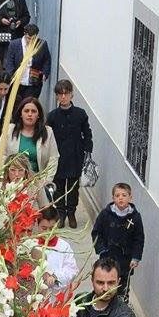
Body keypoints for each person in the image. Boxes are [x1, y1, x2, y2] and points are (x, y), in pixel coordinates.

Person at [46, 79, 93, 228]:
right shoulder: (52, 116)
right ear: (57, 97)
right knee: (59, 186)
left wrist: (88, 150)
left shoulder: (80, 114)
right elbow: (47, 136)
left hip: (75, 156)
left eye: (66, 93)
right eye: (60, 94)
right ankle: (61, 213)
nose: (64, 97)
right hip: (59, 157)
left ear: (72, 94)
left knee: (73, 187)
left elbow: (87, 133)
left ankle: (71, 212)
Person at [92, 183, 145, 299]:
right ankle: (103, 303)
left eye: (124, 195)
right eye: (117, 195)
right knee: (106, 282)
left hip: (125, 260)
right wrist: (101, 249)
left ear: (130, 198)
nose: (120, 198)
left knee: (122, 285)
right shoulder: (105, 215)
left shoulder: (135, 217)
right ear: (113, 198)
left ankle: (122, 306)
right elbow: (96, 232)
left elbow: (139, 238)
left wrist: (135, 257)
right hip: (108, 256)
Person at [5, 97, 59, 199]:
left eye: (33, 111)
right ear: (21, 114)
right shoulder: (10, 130)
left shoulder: (48, 132)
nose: (30, 114)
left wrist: (45, 181)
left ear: (38, 115)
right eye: (26, 111)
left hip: (37, 184)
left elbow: (54, 158)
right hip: (12, 183)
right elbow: (1, 155)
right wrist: (7, 177)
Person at [33, 206, 78, 294]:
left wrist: (56, 276)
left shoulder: (64, 247)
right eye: (44, 228)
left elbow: (72, 270)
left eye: (52, 228)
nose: (48, 232)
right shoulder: (32, 245)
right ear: (37, 225)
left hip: (57, 294)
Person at [4, 24, 52, 99]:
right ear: (24, 34)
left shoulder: (42, 44)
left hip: (33, 83)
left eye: (33, 39)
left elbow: (47, 60)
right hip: (17, 83)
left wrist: (45, 74)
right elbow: (9, 61)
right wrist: (10, 76)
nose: (30, 41)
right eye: (28, 38)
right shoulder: (14, 44)